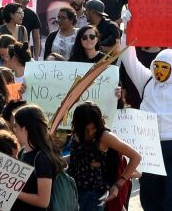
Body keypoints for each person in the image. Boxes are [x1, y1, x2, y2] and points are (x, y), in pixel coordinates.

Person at [119, 45, 172, 211]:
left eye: (165, 68)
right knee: (149, 194)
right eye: (157, 66)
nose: (159, 71)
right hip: (150, 148)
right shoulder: (147, 80)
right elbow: (129, 58)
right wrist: (127, 28)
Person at [69, 102, 141, 211]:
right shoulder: (77, 134)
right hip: (72, 191)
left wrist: (118, 184)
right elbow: (78, 157)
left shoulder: (105, 136)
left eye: (93, 128)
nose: (90, 133)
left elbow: (136, 157)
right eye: (86, 130)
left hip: (93, 195)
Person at [11, 105, 60, 211]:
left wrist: (14, 192)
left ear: (25, 128)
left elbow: (43, 201)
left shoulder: (41, 158)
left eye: (16, 126)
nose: (14, 130)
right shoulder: (22, 153)